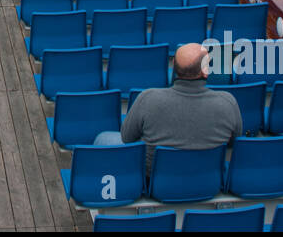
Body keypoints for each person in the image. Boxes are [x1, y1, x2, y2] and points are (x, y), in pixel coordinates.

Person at [95, 43, 242, 177]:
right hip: (208, 181)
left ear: (174, 68)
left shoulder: (147, 98)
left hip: (155, 182)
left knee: (103, 138)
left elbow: (127, 138)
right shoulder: (228, 102)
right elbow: (233, 142)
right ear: (205, 71)